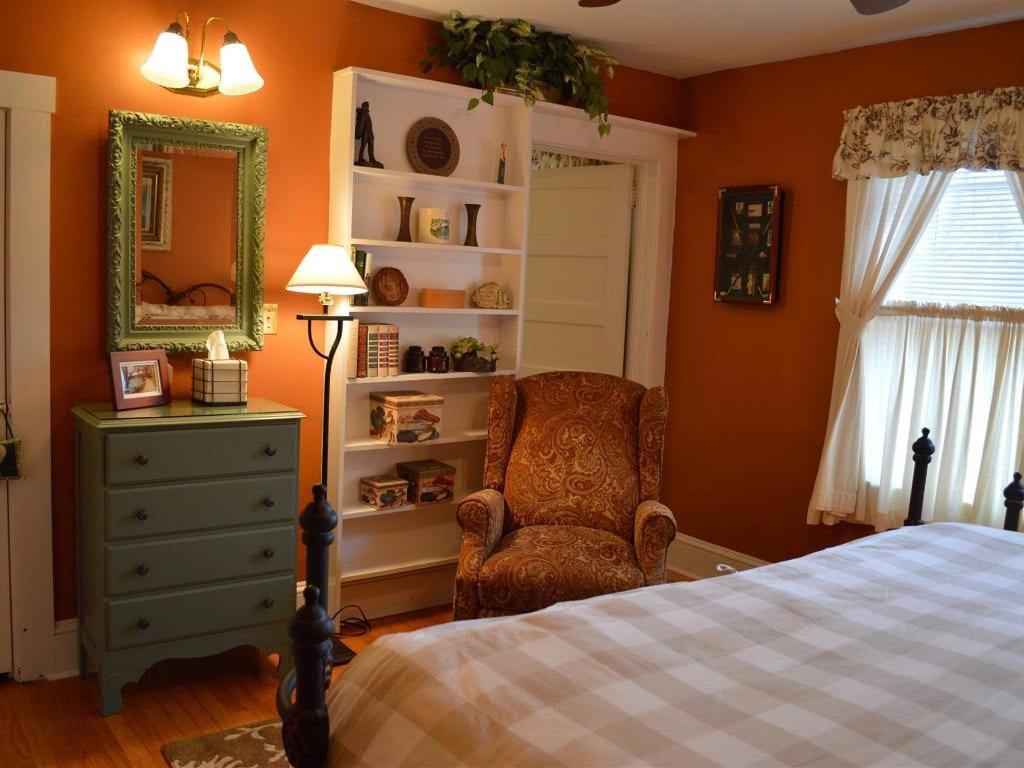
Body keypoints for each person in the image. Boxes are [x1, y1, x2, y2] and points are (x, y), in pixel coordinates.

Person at [355, 101, 383, 168]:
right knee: (363, 146)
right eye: (366, 106)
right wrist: (359, 133)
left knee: (371, 146)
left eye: (368, 106)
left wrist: (372, 134)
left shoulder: (368, 115)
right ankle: (360, 158)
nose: (367, 107)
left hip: (370, 133)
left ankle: (372, 158)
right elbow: (361, 125)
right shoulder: (363, 115)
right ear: (364, 107)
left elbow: (370, 126)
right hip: (365, 133)